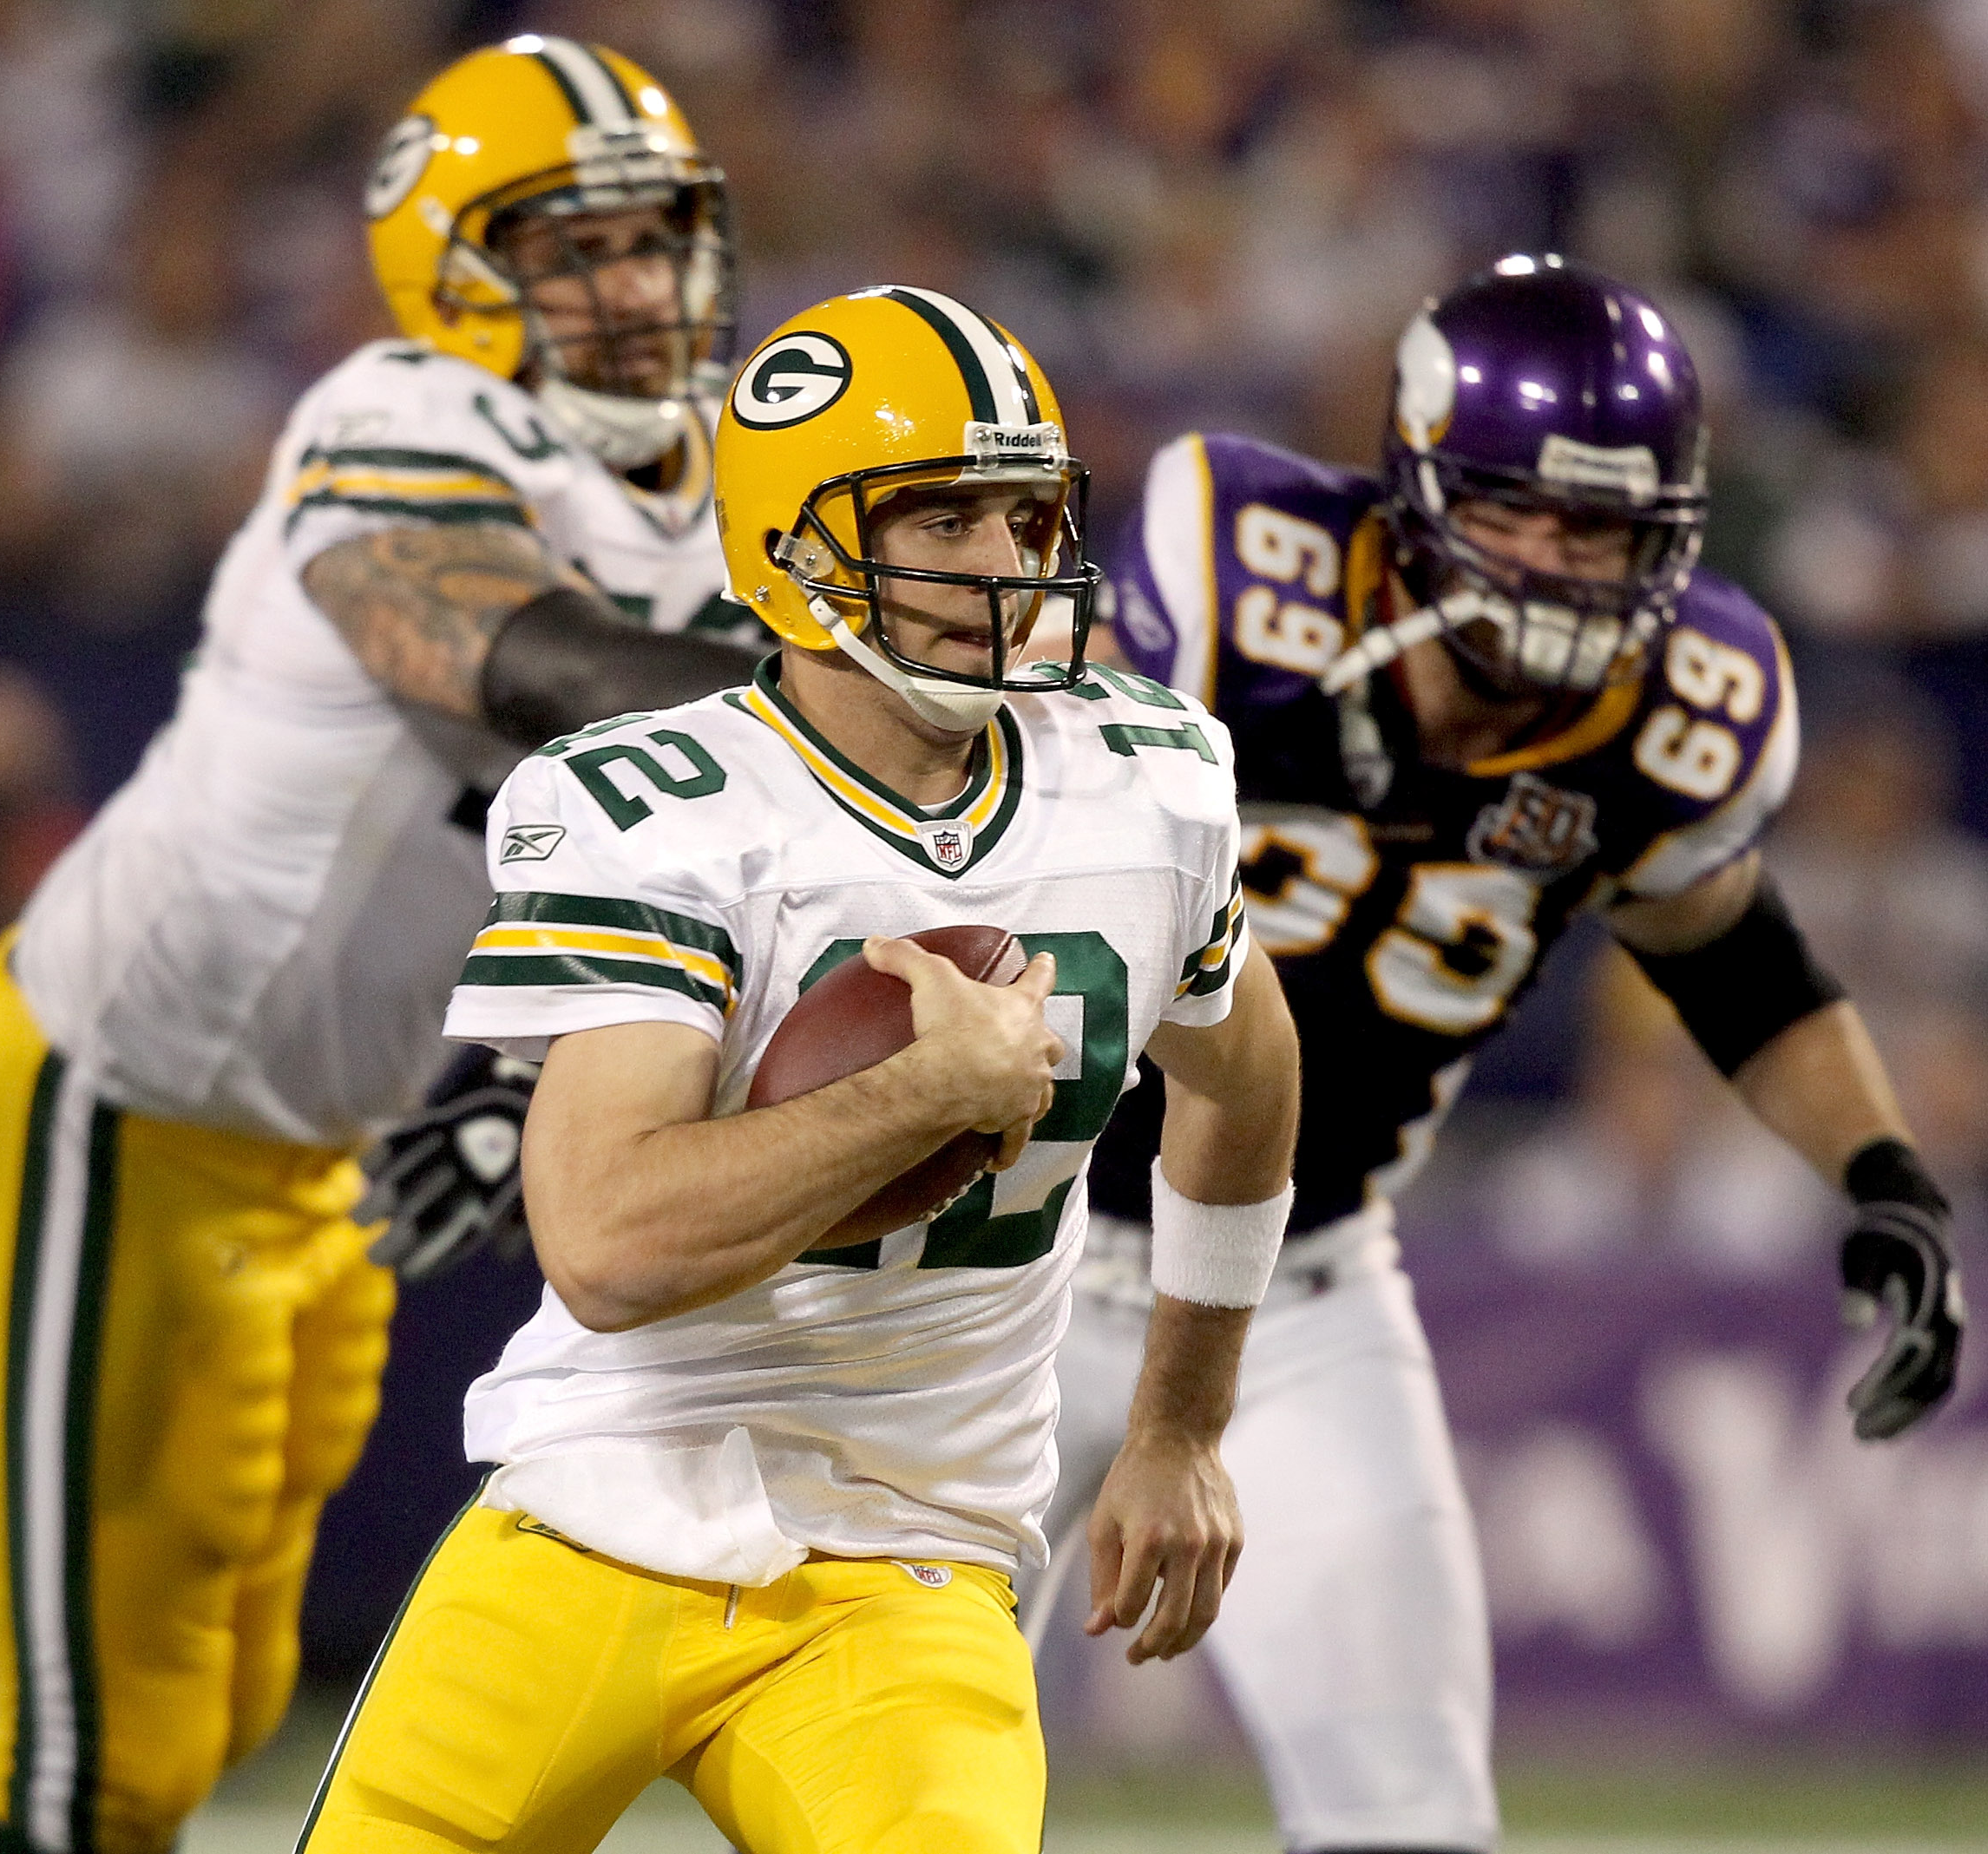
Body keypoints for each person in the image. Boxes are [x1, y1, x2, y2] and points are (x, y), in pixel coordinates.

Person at [0, 36, 769, 1854]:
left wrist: (521, 1077)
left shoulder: (745, 491)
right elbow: (531, 669)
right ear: (449, 266)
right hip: (110, 1100)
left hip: (324, 1147)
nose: (633, 287)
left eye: (655, 237)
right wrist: (862, 695)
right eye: (570, 247)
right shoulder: (398, 415)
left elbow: (664, 861)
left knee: (219, 1707)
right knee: (95, 1764)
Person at [299, 285, 1303, 1854]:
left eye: (1024, 516)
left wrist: (1181, 1423)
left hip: (915, 1557)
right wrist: (920, 1094)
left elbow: (1247, 1080)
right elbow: (612, 1245)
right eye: (941, 518)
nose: (1003, 567)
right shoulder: (668, 807)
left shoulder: (1148, 781)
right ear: (792, 549)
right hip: (600, 1513)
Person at [1038, 253, 1965, 1854]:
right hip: (1002, 1260)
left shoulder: (1687, 705)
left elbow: (1729, 951)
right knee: (864, 1780)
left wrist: (1884, 1176)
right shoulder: (1239, 570)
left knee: (1408, 1820)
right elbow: (1021, 816)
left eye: (1594, 528)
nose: (1549, 565)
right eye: (1515, 511)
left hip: (1290, 1296)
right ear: (1408, 491)